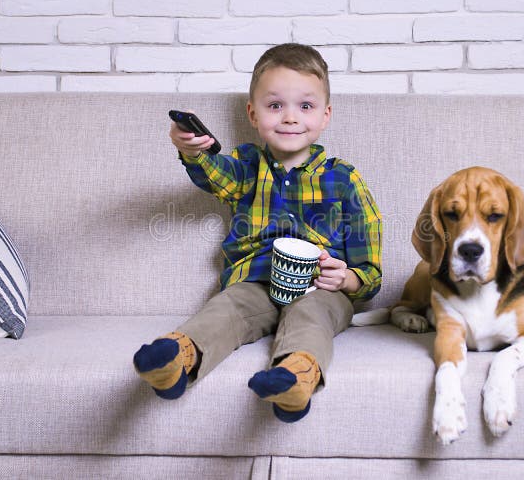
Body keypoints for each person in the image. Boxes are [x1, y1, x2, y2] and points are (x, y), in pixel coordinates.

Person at [133, 43, 382, 422]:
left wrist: (347, 277)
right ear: (253, 113)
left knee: (310, 313)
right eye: (275, 105)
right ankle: (177, 358)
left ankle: (294, 378)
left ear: (325, 115)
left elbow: (371, 270)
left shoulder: (344, 179)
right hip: (256, 281)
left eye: (306, 106)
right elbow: (212, 172)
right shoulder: (247, 166)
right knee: (227, 307)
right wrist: (191, 150)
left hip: (320, 288)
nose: (290, 118)